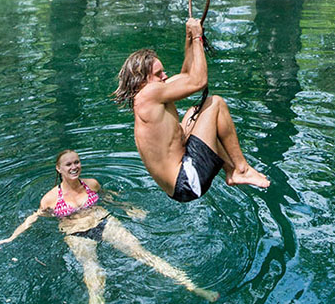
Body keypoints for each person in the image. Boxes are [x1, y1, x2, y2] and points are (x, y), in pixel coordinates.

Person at [0, 149, 217, 304]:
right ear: (59, 168)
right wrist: (11, 238)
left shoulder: (91, 184)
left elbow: (108, 198)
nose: (74, 167)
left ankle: (192, 286)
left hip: (104, 221)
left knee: (143, 254)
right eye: (69, 164)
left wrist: (129, 208)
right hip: (76, 233)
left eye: (77, 162)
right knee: (94, 277)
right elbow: (33, 218)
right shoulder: (50, 199)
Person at [114, 17, 269, 203]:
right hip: (187, 181)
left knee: (194, 113)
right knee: (215, 103)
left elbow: (187, 75)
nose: (165, 76)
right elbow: (198, 81)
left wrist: (189, 37)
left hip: (180, 184)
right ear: (141, 80)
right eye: (158, 74)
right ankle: (241, 169)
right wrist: (197, 38)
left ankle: (230, 171)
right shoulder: (149, 94)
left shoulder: (148, 94)